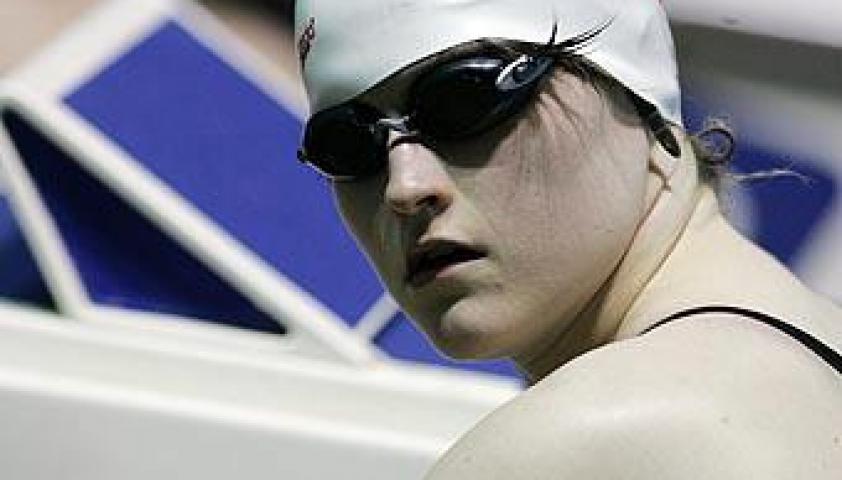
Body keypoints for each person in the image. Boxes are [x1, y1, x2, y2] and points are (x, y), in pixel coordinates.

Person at [293, 0, 842, 477]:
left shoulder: (579, 441)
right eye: (346, 146)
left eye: (466, 100)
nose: (405, 188)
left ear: (634, 89)